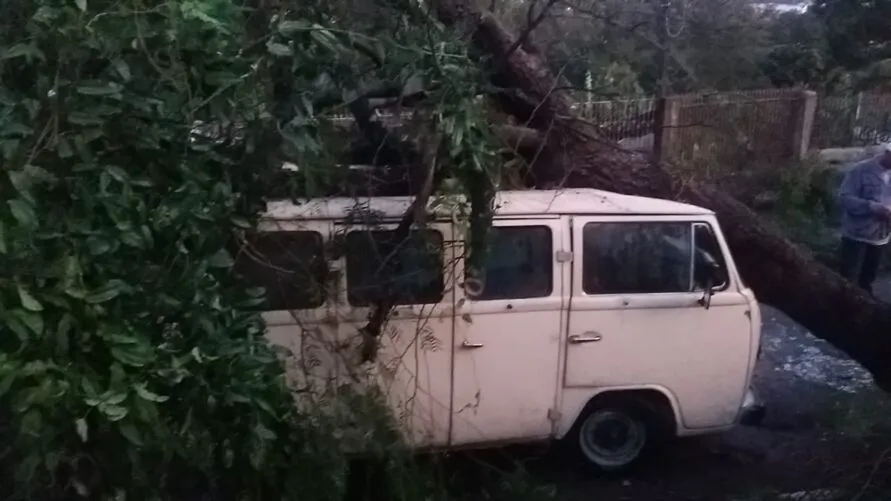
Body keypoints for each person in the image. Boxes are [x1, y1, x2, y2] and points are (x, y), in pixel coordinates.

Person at [838, 143, 891, 295]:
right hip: (856, 236)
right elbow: (844, 198)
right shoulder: (861, 170)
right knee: (847, 281)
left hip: (880, 237)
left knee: (867, 281)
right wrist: (872, 207)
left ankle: (863, 313)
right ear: (887, 153)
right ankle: (840, 313)